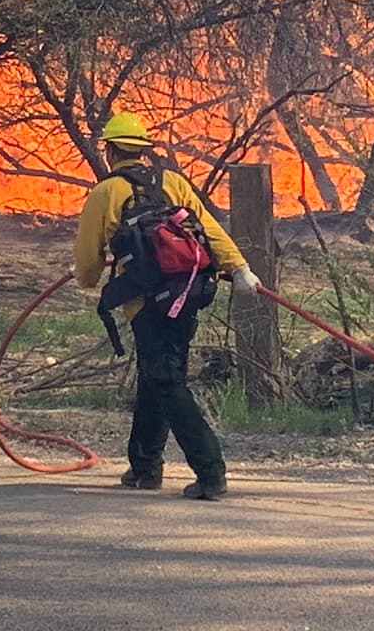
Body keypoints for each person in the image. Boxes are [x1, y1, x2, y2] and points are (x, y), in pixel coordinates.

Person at [73, 112, 261, 500]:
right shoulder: (172, 183)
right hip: (190, 295)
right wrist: (240, 268)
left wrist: (88, 278)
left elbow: (87, 261)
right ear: (144, 151)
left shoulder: (106, 193)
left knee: (166, 380)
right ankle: (145, 467)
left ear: (109, 151)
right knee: (155, 374)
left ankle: (210, 472)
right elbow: (209, 228)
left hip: (147, 304)